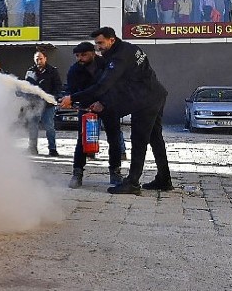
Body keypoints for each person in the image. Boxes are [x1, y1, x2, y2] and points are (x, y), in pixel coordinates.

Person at [59, 27, 172, 195]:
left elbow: (104, 85)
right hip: (154, 94)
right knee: (155, 138)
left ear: (111, 39)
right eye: (96, 44)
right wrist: (103, 102)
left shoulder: (118, 58)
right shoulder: (127, 48)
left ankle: (132, 182)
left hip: (145, 100)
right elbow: (119, 85)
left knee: (139, 139)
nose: (98, 47)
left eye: (101, 43)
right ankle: (164, 179)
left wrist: (73, 98)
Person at [65, 42, 125, 188]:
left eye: (84, 55)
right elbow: (73, 91)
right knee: (82, 139)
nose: (80, 58)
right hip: (87, 108)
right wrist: (81, 103)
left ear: (93, 53)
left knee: (114, 138)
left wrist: (102, 103)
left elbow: (114, 86)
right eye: (77, 56)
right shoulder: (74, 70)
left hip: (108, 105)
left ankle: (115, 172)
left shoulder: (106, 65)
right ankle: (77, 173)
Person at [24, 49, 62, 156]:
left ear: (45, 58)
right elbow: (27, 88)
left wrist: (52, 97)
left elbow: (58, 87)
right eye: (37, 59)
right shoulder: (30, 72)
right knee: (32, 126)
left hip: (48, 105)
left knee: (49, 127)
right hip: (34, 105)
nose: (38, 61)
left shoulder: (53, 71)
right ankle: (32, 148)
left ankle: (52, 149)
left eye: (40, 58)